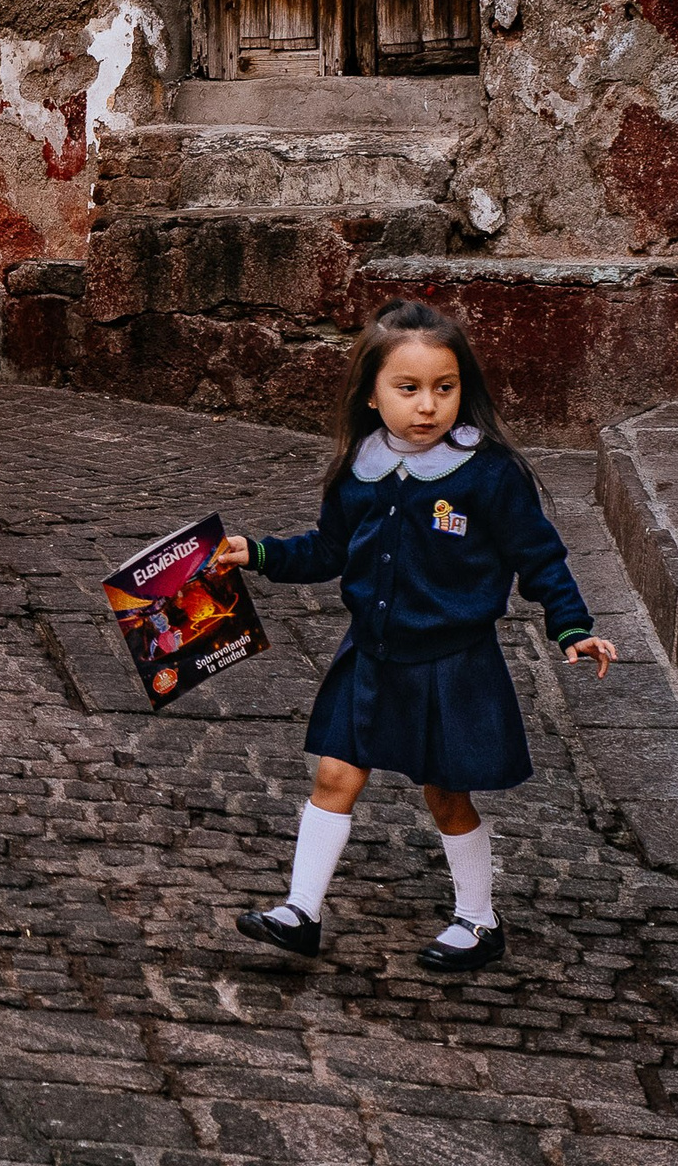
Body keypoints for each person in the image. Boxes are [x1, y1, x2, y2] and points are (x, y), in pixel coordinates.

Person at [206, 298, 618, 973]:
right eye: (408, 388)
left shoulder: (487, 471)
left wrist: (571, 625)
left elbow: (539, 556)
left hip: (452, 661)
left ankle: (478, 921)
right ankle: (300, 911)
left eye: (444, 388)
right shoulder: (359, 467)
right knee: (334, 775)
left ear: (462, 388)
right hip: (371, 655)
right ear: (372, 395)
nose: (428, 405)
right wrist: (256, 552)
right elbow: (328, 550)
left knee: (447, 795)